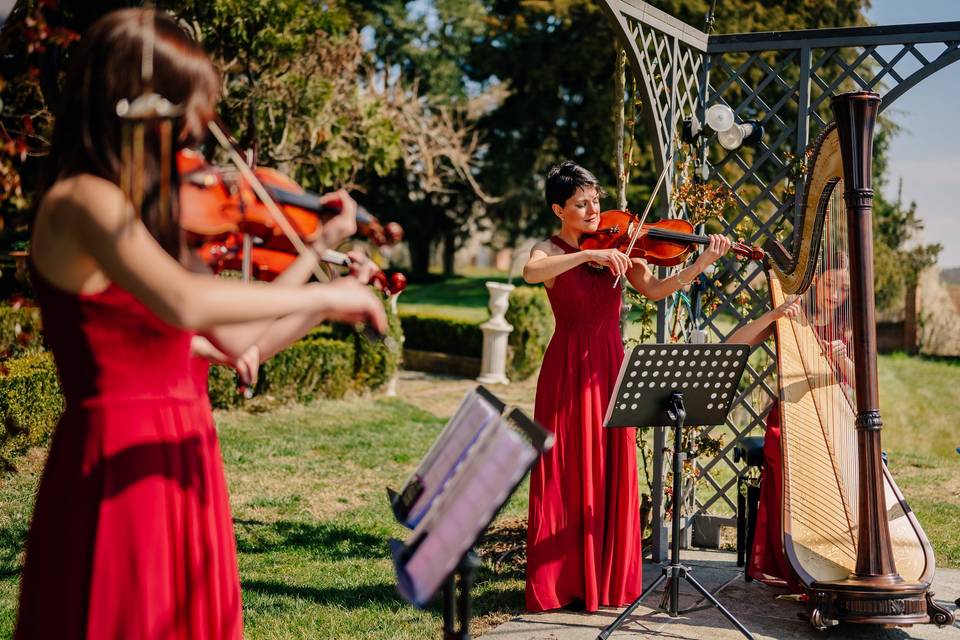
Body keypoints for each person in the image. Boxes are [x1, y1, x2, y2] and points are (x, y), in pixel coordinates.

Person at [15, 9, 386, 639]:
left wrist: (314, 265)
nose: (192, 140)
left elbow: (244, 341)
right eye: (185, 117)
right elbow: (187, 302)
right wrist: (328, 299)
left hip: (185, 448)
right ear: (132, 105)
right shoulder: (81, 200)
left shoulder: (150, 213)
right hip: (117, 455)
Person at [521, 160, 731, 613]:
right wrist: (588, 254)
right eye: (581, 203)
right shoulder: (550, 249)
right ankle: (561, 585)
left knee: (608, 469)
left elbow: (658, 289)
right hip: (567, 370)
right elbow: (531, 273)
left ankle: (606, 581)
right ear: (559, 209)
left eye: (595, 199)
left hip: (610, 365)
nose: (594, 208)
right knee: (565, 469)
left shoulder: (624, 244)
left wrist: (703, 261)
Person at [725, 252, 852, 590]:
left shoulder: (849, 324)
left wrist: (842, 361)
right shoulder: (791, 314)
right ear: (813, 281)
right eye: (830, 285)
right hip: (789, 418)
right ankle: (795, 563)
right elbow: (733, 344)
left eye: (843, 289)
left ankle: (836, 555)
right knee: (784, 451)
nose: (835, 295)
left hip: (833, 417)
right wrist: (773, 314)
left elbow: (864, 383)